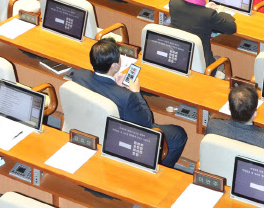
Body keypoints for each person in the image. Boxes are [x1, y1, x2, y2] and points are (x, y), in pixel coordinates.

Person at [72, 39, 187, 167]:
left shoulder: (78, 75)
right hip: (121, 137)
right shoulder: (127, 97)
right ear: (114, 66)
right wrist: (136, 92)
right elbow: (146, 123)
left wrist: (113, 83)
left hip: (89, 127)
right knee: (179, 134)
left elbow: (101, 86)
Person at [169, 0, 237, 71]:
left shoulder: (174, 3)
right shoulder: (208, 15)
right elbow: (231, 28)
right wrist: (222, 12)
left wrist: (204, 8)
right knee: (221, 61)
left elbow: (191, 15)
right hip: (204, 66)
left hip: (178, 59)